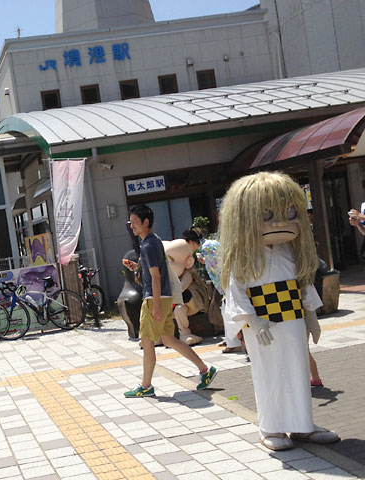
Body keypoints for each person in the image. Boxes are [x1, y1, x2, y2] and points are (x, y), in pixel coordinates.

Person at [219, 172, 339, 451]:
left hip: (292, 318)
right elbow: (235, 293)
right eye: (268, 214)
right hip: (262, 323)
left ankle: (302, 425)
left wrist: (310, 315)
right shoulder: (244, 258)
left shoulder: (291, 251)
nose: (280, 222)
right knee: (268, 373)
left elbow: (303, 283)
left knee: (298, 371)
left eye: (289, 212)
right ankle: (270, 427)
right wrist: (252, 320)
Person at [124, 205, 217, 398]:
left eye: (134, 222)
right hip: (164, 297)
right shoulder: (155, 241)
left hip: (154, 299)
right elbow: (155, 274)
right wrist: (137, 268)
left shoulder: (149, 245)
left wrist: (156, 306)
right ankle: (204, 370)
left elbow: (156, 277)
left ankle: (146, 386)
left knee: (147, 342)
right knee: (169, 339)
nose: (131, 226)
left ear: (145, 222)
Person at [163, 228, 204, 345]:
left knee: (179, 309)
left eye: (171, 261)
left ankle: (185, 333)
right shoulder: (165, 278)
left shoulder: (187, 275)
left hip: (186, 305)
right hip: (169, 305)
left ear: (188, 262)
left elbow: (180, 289)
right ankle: (157, 337)